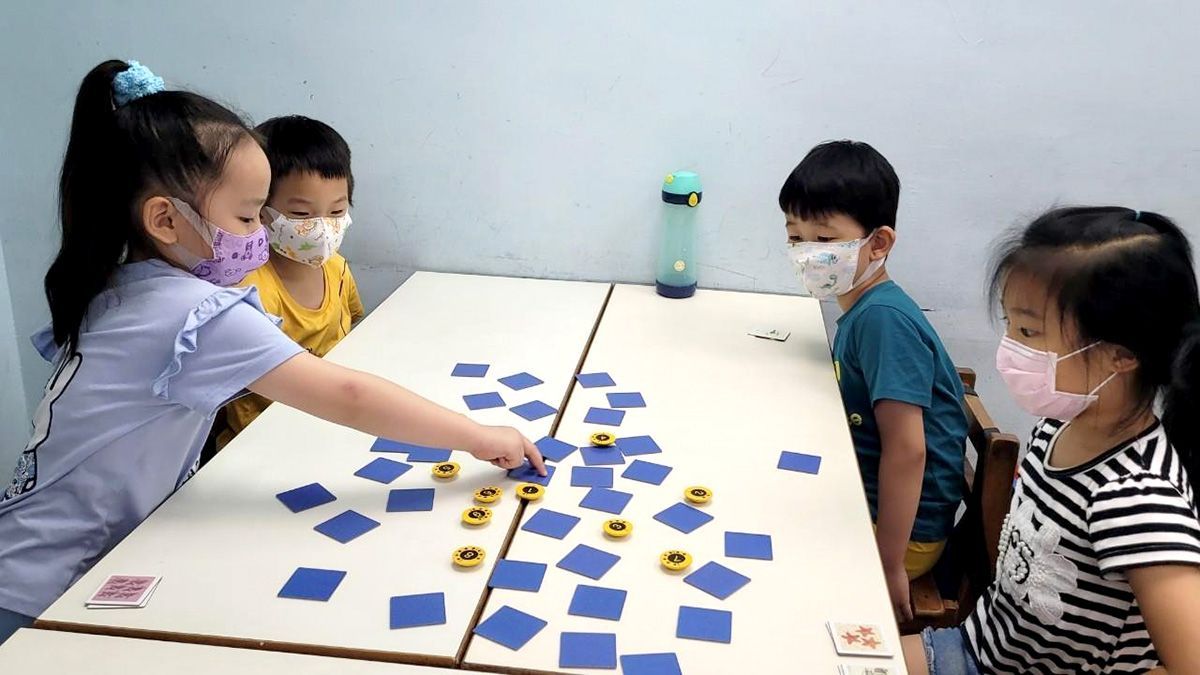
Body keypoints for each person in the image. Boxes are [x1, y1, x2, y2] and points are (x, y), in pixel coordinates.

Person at [0, 60, 543, 643]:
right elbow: (349, 395)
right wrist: (479, 436)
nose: (259, 235)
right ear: (164, 219)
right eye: (245, 216)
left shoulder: (117, 286)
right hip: (50, 584)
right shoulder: (199, 314)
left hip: (27, 554)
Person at [904, 207, 1200, 674]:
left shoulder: (1136, 497)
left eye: (1028, 331)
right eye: (1009, 323)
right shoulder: (1058, 424)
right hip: (974, 649)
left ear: (1121, 355)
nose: (1010, 346)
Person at [781, 140, 967, 620]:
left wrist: (886, 565)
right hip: (873, 504)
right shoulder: (865, 309)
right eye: (795, 238)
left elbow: (908, 450)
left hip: (901, 537)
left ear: (878, 243)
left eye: (824, 240)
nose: (807, 254)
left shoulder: (882, 320)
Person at [215, 115, 364, 451]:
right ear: (259, 209)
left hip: (335, 425)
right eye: (301, 215)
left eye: (336, 212)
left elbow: (354, 330)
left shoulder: (338, 269)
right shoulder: (247, 292)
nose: (322, 229)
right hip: (262, 443)